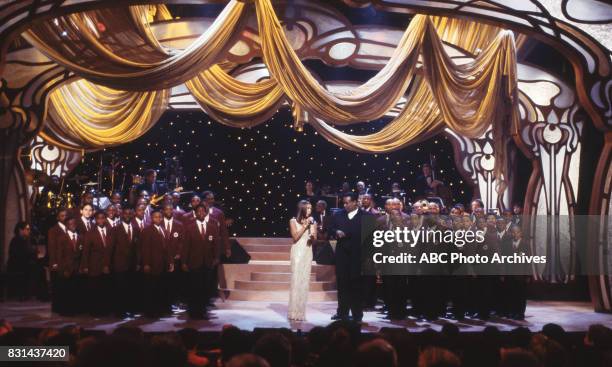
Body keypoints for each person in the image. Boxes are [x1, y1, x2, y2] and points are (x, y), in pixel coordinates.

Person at [329, 192, 371, 322]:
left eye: (347, 202)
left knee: (356, 286)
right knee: (342, 285)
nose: (345, 205)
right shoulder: (338, 215)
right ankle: (342, 313)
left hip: (358, 256)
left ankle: (357, 315)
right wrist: (336, 231)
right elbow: (330, 228)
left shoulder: (367, 216)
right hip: (342, 255)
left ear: (355, 202)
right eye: (344, 203)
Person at [181, 204, 221, 319]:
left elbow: (216, 245)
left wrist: (216, 258)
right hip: (194, 262)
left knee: (205, 288)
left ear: (206, 213)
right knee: (194, 288)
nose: (201, 213)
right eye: (199, 211)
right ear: (195, 213)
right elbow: (185, 246)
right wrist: (184, 262)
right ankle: (193, 311)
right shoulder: (189, 227)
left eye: (203, 211)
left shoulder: (212, 227)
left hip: (208, 263)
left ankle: (203, 311)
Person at [139, 210, 173, 317]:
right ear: (151, 218)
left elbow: (167, 248)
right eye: (155, 217)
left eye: (159, 217)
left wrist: (170, 262)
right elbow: (145, 249)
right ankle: (150, 312)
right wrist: (146, 264)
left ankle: (159, 309)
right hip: (152, 264)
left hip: (162, 265)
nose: (158, 219)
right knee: (151, 289)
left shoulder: (163, 229)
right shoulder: (147, 230)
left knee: (160, 288)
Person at [287, 200, 317, 321]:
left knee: (304, 281)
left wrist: (313, 234)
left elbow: (314, 240)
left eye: (311, 208)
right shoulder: (293, 221)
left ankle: (301, 312)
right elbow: (295, 237)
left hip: (307, 252)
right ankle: (293, 312)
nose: (310, 210)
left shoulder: (313, 221)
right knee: (296, 281)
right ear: (302, 209)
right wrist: (305, 226)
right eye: (308, 208)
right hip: (297, 252)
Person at [81, 211, 113, 316]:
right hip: (94, 266)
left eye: (103, 218)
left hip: (108, 265)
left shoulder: (110, 231)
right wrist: (85, 266)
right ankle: (95, 311)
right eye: (98, 218)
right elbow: (85, 251)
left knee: (106, 289)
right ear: (95, 220)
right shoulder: (90, 233)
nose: (101, 220)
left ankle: (106, 310)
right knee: (95, 290)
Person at [111, 207, 138, 317]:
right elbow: (111, 248)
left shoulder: (136, 229)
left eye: (129, 214)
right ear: (122, 215)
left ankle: (130, 310)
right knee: (120, 289)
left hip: (132, 264)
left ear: (132, 215)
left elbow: (137, 248)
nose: (127, 215)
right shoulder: (115, 229)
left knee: (130, 288)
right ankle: (120, 312)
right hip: (119, 264)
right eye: (125, 213)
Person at [56, 217, 83, 315]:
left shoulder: (80, 237)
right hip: (67, 269)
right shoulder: (62, 238)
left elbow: (81, 254)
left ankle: (76, 310)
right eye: (70, 224)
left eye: (74, 223)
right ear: (67, 226)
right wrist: (63, 269)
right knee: (67, 291)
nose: (73, 226)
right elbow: (60, 256)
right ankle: (67, 311)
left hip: (77, 269)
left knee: (76, 291)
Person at [7, 222, 38, 300]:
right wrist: (32, 252)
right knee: (35, 269)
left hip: (24, 264)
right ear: (20, 230)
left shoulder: (25, 240)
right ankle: (29, 294)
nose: (29, 231)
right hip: (17, 266)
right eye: (27, 229)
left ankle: (33, 293)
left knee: (38, 268)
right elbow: (18, 255)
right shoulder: (16, 241)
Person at [47, 208, 68, 312]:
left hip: (66, 263)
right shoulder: (53, 230)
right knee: (57, 286)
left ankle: (63, 306)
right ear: (58, 217)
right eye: (62, 216)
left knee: (64, 286)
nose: (64, 218)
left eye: (65, 215)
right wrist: (54, 262)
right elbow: (52, 247)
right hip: (57, 262)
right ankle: (56, 308)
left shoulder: (69, 228)